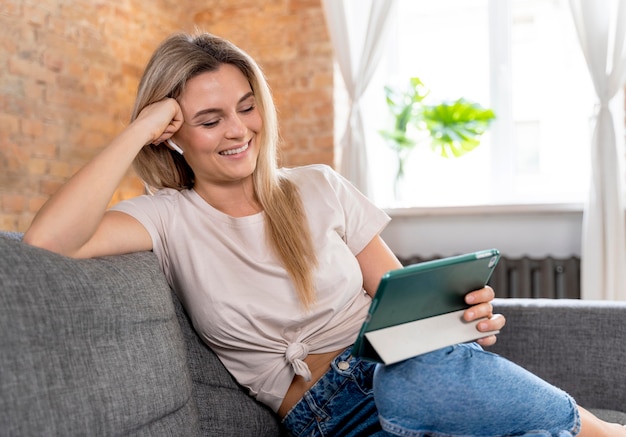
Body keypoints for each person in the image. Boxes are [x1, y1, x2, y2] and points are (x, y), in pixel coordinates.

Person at [24, 31, 625, 437]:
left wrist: (460, 317)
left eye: (246, 106)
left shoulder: (318, 186)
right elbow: (47, 241)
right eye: (209, 119)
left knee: (419, 370)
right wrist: (143, 124)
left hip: (402, 367)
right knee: (413, 381)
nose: (238, 131)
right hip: (327, 412)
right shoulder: (164, 217)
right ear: (174, 133)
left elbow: (400, 300)